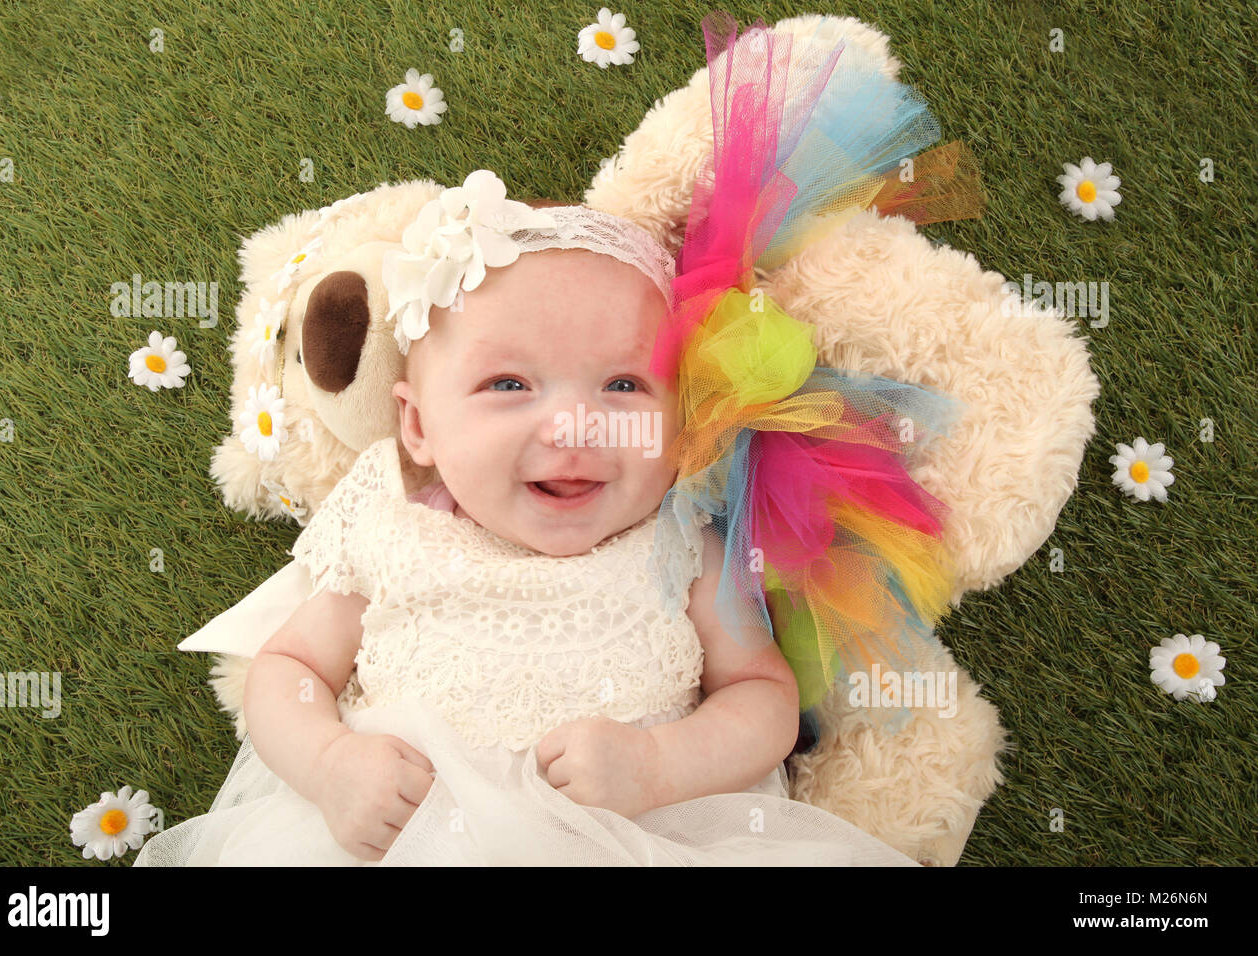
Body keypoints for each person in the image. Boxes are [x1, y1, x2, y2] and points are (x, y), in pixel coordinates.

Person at [133, 9, 984, 867]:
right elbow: (287, 671)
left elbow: (764, 697)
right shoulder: (389, 525)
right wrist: (328, 764)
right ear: (417, 427)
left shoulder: (680, 539)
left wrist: (659, 764)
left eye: (622, 385)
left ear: (681, 417)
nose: (571, 426)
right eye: (508, 385)